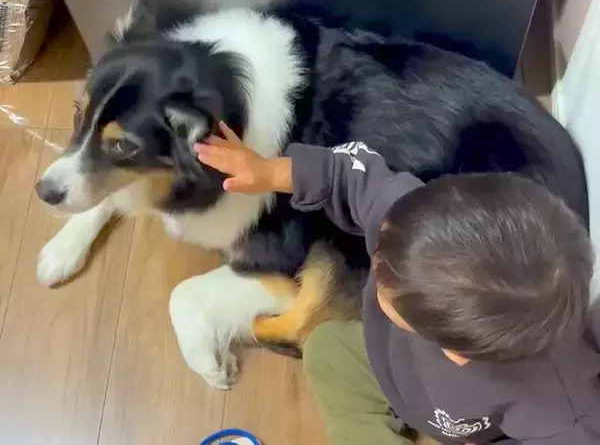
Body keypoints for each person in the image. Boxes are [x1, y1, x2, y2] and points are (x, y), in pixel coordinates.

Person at [194, 121, 600, 445]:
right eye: (384, 245)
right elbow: (347, 173)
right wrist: (268, 171)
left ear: (455, 352)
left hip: (459, 421)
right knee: (326, 347)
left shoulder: (556, 401)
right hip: (387, 362)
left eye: (390, 294)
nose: (376, 259)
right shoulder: (408, 221)